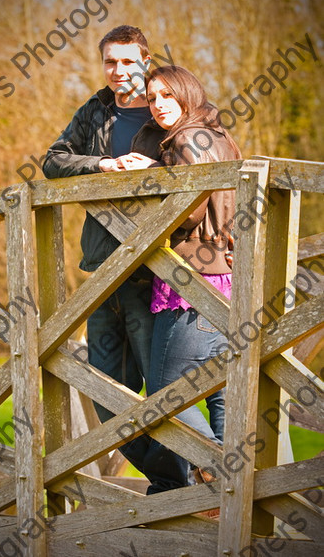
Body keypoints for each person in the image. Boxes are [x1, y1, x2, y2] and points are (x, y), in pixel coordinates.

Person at [42, 26, 189, 494]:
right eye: (110, 61)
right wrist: (102, 165)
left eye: (128, 61)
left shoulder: (168, 104)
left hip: (156, 270)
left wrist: (156, 171)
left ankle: (178, 488)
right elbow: (52, 160)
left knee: (162, 389)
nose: (119, 70)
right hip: (103, 268)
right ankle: (170, 480)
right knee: (105, 392)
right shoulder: (96, 110)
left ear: (145, 61)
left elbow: (204, 161)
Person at [117, 65, 241, 488]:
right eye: (153, 98)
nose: (159, 105)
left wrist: (145, 179)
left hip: (190, 279)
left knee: (167, 394)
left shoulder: (186, 138)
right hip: (227, 275)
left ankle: (213, 474)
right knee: (222, 393)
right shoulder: (220, 136)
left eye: (168, 95)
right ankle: (231, 497)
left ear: (189, 94)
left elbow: (187, 209)